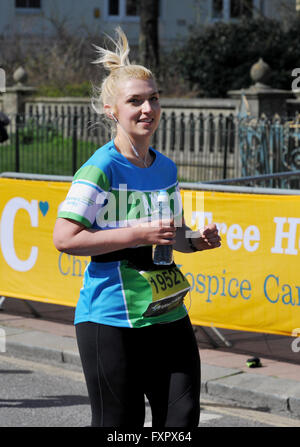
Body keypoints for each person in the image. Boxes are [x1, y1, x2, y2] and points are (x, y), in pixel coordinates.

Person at [53, 27, 221, 428]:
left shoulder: (165, 166)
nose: (147, 109)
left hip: (167, 313)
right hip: (111, 319)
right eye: (135, 101)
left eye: (153, 99)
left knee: (180, 420)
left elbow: (173, 233)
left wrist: (196, 241)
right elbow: (65, 238)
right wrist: (139, 234)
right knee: (120, 426)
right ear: (112, 109)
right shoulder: (101, 168)